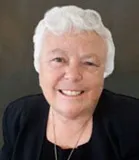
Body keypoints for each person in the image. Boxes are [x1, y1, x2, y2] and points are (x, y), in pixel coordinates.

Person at [0, 5, 139, 160]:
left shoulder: (133, 122)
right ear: (39, 65)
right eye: (58, 60)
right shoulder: (18, 116)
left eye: (89, 63)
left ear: (105, 70)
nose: (73, 76)